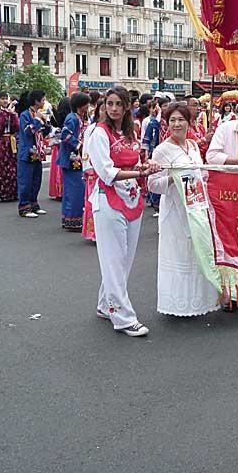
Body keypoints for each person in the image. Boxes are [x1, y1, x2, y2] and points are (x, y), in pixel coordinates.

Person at [86, 86, 161, 337]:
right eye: (110, 104)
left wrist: (146, 165)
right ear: (104, 106)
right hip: (108, 199)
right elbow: (105, 173)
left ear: (127, 106)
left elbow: (137, 160)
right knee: (113, 259)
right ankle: (123, 317)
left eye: (119, 104)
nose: (114, 108)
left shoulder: (131, 132)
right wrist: (140, 172)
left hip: (132, 198)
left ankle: (105, 304)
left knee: (124, 258)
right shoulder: (99, 133)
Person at [147, 103, 221, 317]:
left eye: (181, 120)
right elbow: (152, 184)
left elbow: (201, 173)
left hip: (198, 207)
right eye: (172, 120)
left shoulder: (193, 146)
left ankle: (201, 300)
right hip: (175, 211)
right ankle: (178, 304)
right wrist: (174, 178)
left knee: (197, 251)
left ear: (189, 122)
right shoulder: (161, 150)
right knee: (179, 253)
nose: (177, 124)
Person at [58, 92, 90, 231]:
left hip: (76, 158)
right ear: (80, 105)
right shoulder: (72, 118)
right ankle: (73, 219)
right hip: (71, 158)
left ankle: (70, 218)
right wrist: (79, 145)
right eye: (86, 103)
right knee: (75, 189)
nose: (88, 106)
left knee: (73, 189)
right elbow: (65, 135)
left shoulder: (80, 117)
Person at [16, 90, 50, 218]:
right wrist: (37, 120)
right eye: (42, 99)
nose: (44, 102)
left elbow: (43, 133)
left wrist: (46, 123)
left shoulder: (39, 114)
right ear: (36, 101)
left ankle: (34, 204)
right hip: (27, 152)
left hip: (37, 152)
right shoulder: (25, 115)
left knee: (36, 179)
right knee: (26, 180)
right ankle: (24, 207)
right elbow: (28, 132)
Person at [81, 98, 105, 242]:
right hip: (94, 171)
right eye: (103, 109)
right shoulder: (92, 128)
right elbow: (86, 151)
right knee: (94, 202)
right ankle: (94, 232)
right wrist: (88, 168)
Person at [47, 97, 70, 202]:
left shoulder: (55, 117)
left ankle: (57, 191)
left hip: (57, 146)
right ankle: (64, 190)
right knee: (62, 170)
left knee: (56, 169)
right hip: (65, 146)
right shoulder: (70, 118)